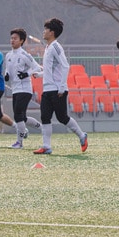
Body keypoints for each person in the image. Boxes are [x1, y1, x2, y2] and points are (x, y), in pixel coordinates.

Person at [31, 18, 90, 154]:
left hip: (57, 89)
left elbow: (65, 65)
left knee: (62, 117)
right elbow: (51, 69)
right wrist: (39, 75)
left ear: (52, 32)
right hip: (47, 89)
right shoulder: (47, 48)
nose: (43, 32)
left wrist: (62, 86)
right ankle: (46, 146)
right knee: (45, 117)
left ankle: (82, 135)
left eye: (46, 29)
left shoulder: (56, 47)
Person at [3, 28, 39, 149]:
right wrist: (6, 75)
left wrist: (26, 74)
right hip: (15, 89)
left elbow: (37, 67)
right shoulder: (8, 55)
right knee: (21, 117)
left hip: (25, 89)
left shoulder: (24, 55)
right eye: (11, 38)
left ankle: (20, 142)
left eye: (15, 38)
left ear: (22, 41)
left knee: (18, 115)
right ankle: (40, 126)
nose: (12, 40)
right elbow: (7, 69)